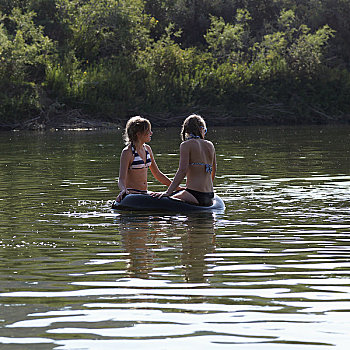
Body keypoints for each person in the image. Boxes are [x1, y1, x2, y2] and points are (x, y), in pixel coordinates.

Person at [151, 114, 217, 206]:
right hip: (210, 195)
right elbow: (213, 171)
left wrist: (168, 192)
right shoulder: (210, 145)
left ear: (187, 130)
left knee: (163, 203)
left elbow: (182, 171)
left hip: (194, 194)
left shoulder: (186, 145)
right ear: (201, 129)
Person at [116, 116, 173, 202]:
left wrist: (175, 187)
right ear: (138, 134)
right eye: (148, 131)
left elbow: (157, 174)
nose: (151, 133)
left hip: (144, 193)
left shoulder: (147, 149)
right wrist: (123, 190)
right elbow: (121, 179)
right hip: (133, 195)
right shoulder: (127, 152)